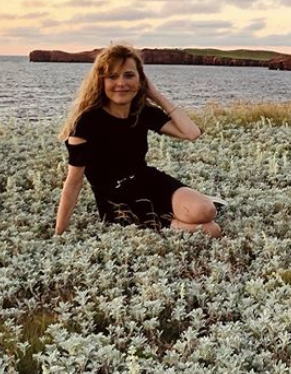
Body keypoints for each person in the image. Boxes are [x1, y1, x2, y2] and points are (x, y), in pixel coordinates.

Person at [55, 44, 224, 237]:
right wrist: (59, 233)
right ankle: (174, 219)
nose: (121, 83)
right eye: (112, 76)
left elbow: (191, 133)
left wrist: (156, 95)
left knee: (207, 210)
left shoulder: (142, 111)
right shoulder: (87, 122)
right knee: (211, 230)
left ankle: (186, 209)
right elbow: (73, 182)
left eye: (129, 75)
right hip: (116, 199)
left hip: (148, 180)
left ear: (140, 79)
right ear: (100, 81)